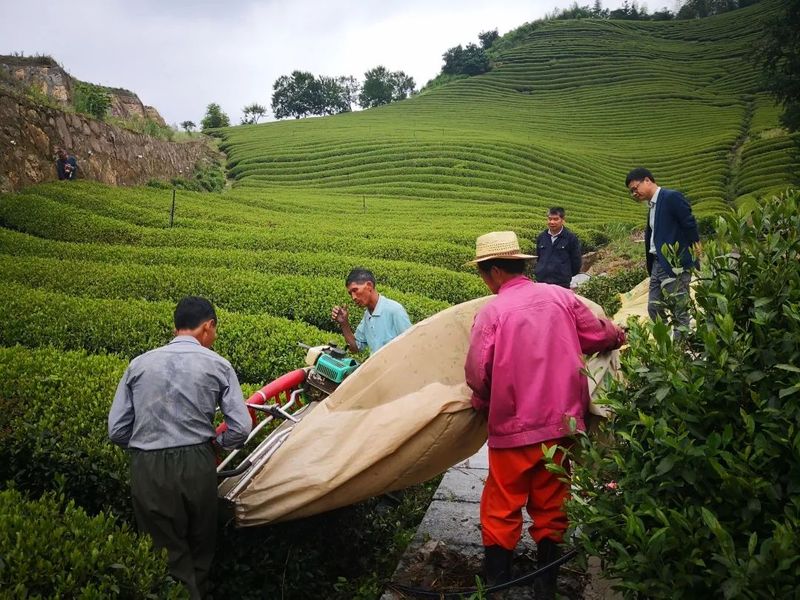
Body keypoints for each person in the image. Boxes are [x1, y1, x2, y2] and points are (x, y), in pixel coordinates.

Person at [463, 231, 625, 599]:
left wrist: (482, 400)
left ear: (494, 273)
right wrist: (618, 335)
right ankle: (545, 586)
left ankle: (497, 586)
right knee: (552, 502)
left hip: (513, 429)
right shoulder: (560, 297)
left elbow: (477, 373)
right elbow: (599, 335)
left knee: (502, 504)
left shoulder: (492, 312)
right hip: (561, 426)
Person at [108, 296, 252, 599]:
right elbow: (240, 427)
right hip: (196, 462)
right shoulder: (218, 365)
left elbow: (117, 430)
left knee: (165, 553)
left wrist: (146, 448)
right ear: (208, 326)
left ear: (176, 327)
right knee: (201, 547)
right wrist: (216, 445)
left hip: (148, 466)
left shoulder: (139, 364)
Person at [625, 167, 700, 333]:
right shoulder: (652, 205)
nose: (634, 194)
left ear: (647, 180)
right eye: (631, 192)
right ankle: (666, 342)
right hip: (658, 264)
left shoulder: (670, 197)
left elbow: (688, 221)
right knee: (653, 307)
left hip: (674, 263)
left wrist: (695, 243)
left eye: (635, 188)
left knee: (680, 309)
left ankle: (681, 350)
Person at [331, 268, 412, 354]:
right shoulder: (367, 316)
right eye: (350, 293)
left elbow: (412, 345)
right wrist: (344, 323)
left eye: (355, 290)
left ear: (369, 286)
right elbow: (355, 348)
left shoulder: (395, 310)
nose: (353, 297)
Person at [533, 206, 582, 288]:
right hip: (541, 282)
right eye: (550, 219)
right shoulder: (542, 237)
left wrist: (565, 274)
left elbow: (576, 262)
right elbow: (539, 257)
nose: (552, 222)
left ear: (563, 220)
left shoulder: (570, 238)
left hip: (561, 284)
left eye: (556, 219)